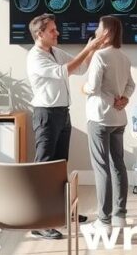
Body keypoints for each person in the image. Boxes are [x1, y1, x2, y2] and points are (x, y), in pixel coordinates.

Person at [26, 13, 108, 239]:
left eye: (56, 29)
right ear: (40, 33)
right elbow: (66, 70)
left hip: (62, 114)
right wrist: (88, 47)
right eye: (52, 30)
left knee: (60, 168)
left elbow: (80, 68)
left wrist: (94, 47)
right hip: (46, 115)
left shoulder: (55, 52)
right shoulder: (35, 57)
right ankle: (39, 222)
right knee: (43, 169)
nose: (57, 33)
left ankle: (63, 213)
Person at [82, 16, 135, 229]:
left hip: (99, 118)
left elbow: (93, 88)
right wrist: (125, 99)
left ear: (106, 33)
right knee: (118, 166)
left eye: (98, 28)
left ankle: (103, 220)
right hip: (118, 119)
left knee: (101, 167)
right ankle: (119, 216)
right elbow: (131, 85)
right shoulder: (123, 57)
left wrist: (83, 88)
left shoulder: (99, 56)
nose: (95, 31)